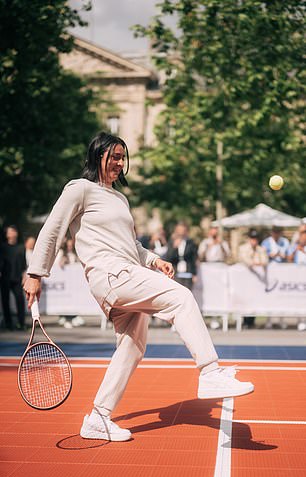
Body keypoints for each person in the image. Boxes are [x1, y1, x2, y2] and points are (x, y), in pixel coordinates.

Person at [24, 131, 254, 442]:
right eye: (114, 157)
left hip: (127, 271)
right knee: (180, 297)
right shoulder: (80, 189)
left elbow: (129, 245)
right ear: (97, 157)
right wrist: (36, 273)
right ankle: (210, 372)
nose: (119, 163)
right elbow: (53, 229)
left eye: (122, 157)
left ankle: (99, 418)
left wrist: (153, 260)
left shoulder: (119, 198)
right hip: (109, 276)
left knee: (132, 347)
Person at [238, 229, 268, 329]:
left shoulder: (261, 249)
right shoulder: (243, 248)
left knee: (255, 299)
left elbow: (264, 261)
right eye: (252, 238)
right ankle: (246, 321)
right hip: (245, 280)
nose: (254, 241)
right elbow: (246, 260)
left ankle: (252, 321)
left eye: (255, 239)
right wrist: (255, 262)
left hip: (257, 281)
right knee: (246, 299)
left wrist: (258, 262)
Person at [0, 225, 26, 330]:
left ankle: (21, 323)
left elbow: (24, 264)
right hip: (5, 278)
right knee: (5, 302)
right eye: (11, 231)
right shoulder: (2, 247)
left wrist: (25, 275)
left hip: (17, 279)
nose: (13, 233)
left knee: (20, 300)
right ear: (6, 234)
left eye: (14, 230)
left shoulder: (21, 247)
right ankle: (8, 323)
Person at [165, 222, 198, 291]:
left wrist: (194, 274)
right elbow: (168, 258)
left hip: (188, 273)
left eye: (183, 231)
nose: (181, 233)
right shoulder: (172, 242)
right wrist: (174, 248)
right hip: (176, 273)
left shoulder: (190, 243)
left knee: (188, 292)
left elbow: (193, 259)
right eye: (179, 231)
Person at [287, 228, 306, 331]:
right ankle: (300, 321)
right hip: (297, 278)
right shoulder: (294, 247)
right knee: (299, 300)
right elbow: (289, 259)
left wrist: (303, 250)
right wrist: (296, 250)